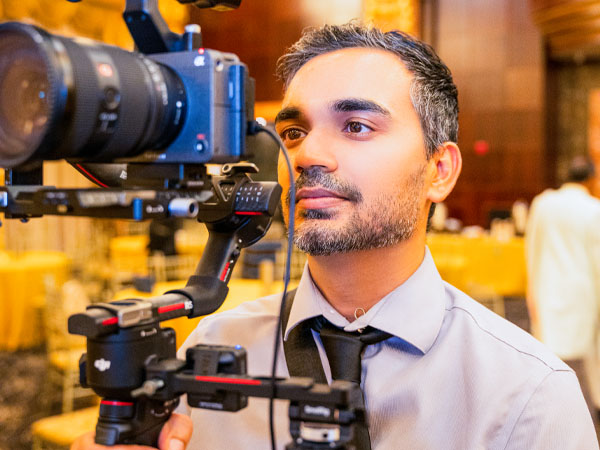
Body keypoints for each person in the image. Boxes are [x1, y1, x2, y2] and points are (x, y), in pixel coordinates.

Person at [72, 23, 598, 450]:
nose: (307, 156)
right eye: (294, 132)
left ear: (439, 170)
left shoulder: (529, 395)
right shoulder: (211, 351)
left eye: (356, 126)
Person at [525, 155, 600, 429]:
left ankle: (548, 421)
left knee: (548, 358)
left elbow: (531, 248)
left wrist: (531, 289)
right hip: (584, 294)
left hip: (547, 289)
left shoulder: (543, 203)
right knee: (588, 361)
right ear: (590, 179)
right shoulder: (594, 209)